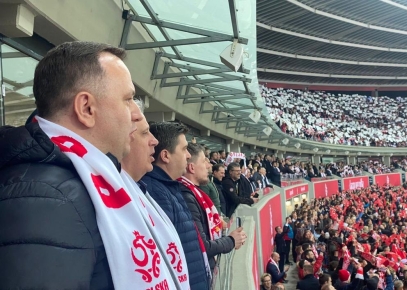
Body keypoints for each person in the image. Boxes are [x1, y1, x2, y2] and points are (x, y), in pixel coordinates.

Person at [0, 41, 188, 289]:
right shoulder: (47, 197)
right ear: (86, 108)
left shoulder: (81, 183)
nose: (135, 113)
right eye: (128, 99)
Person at [141, 122, 211, 290]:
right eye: (184, 149)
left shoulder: (171, 187)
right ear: (166, 156)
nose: (188, 156)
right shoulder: (157, 192)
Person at [179, 143, 246, 273]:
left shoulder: (194, 193)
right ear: (192, 167)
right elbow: (201, 245)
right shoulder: (187, 197)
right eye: (205, 161)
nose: (209, 165)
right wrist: (231, 240)